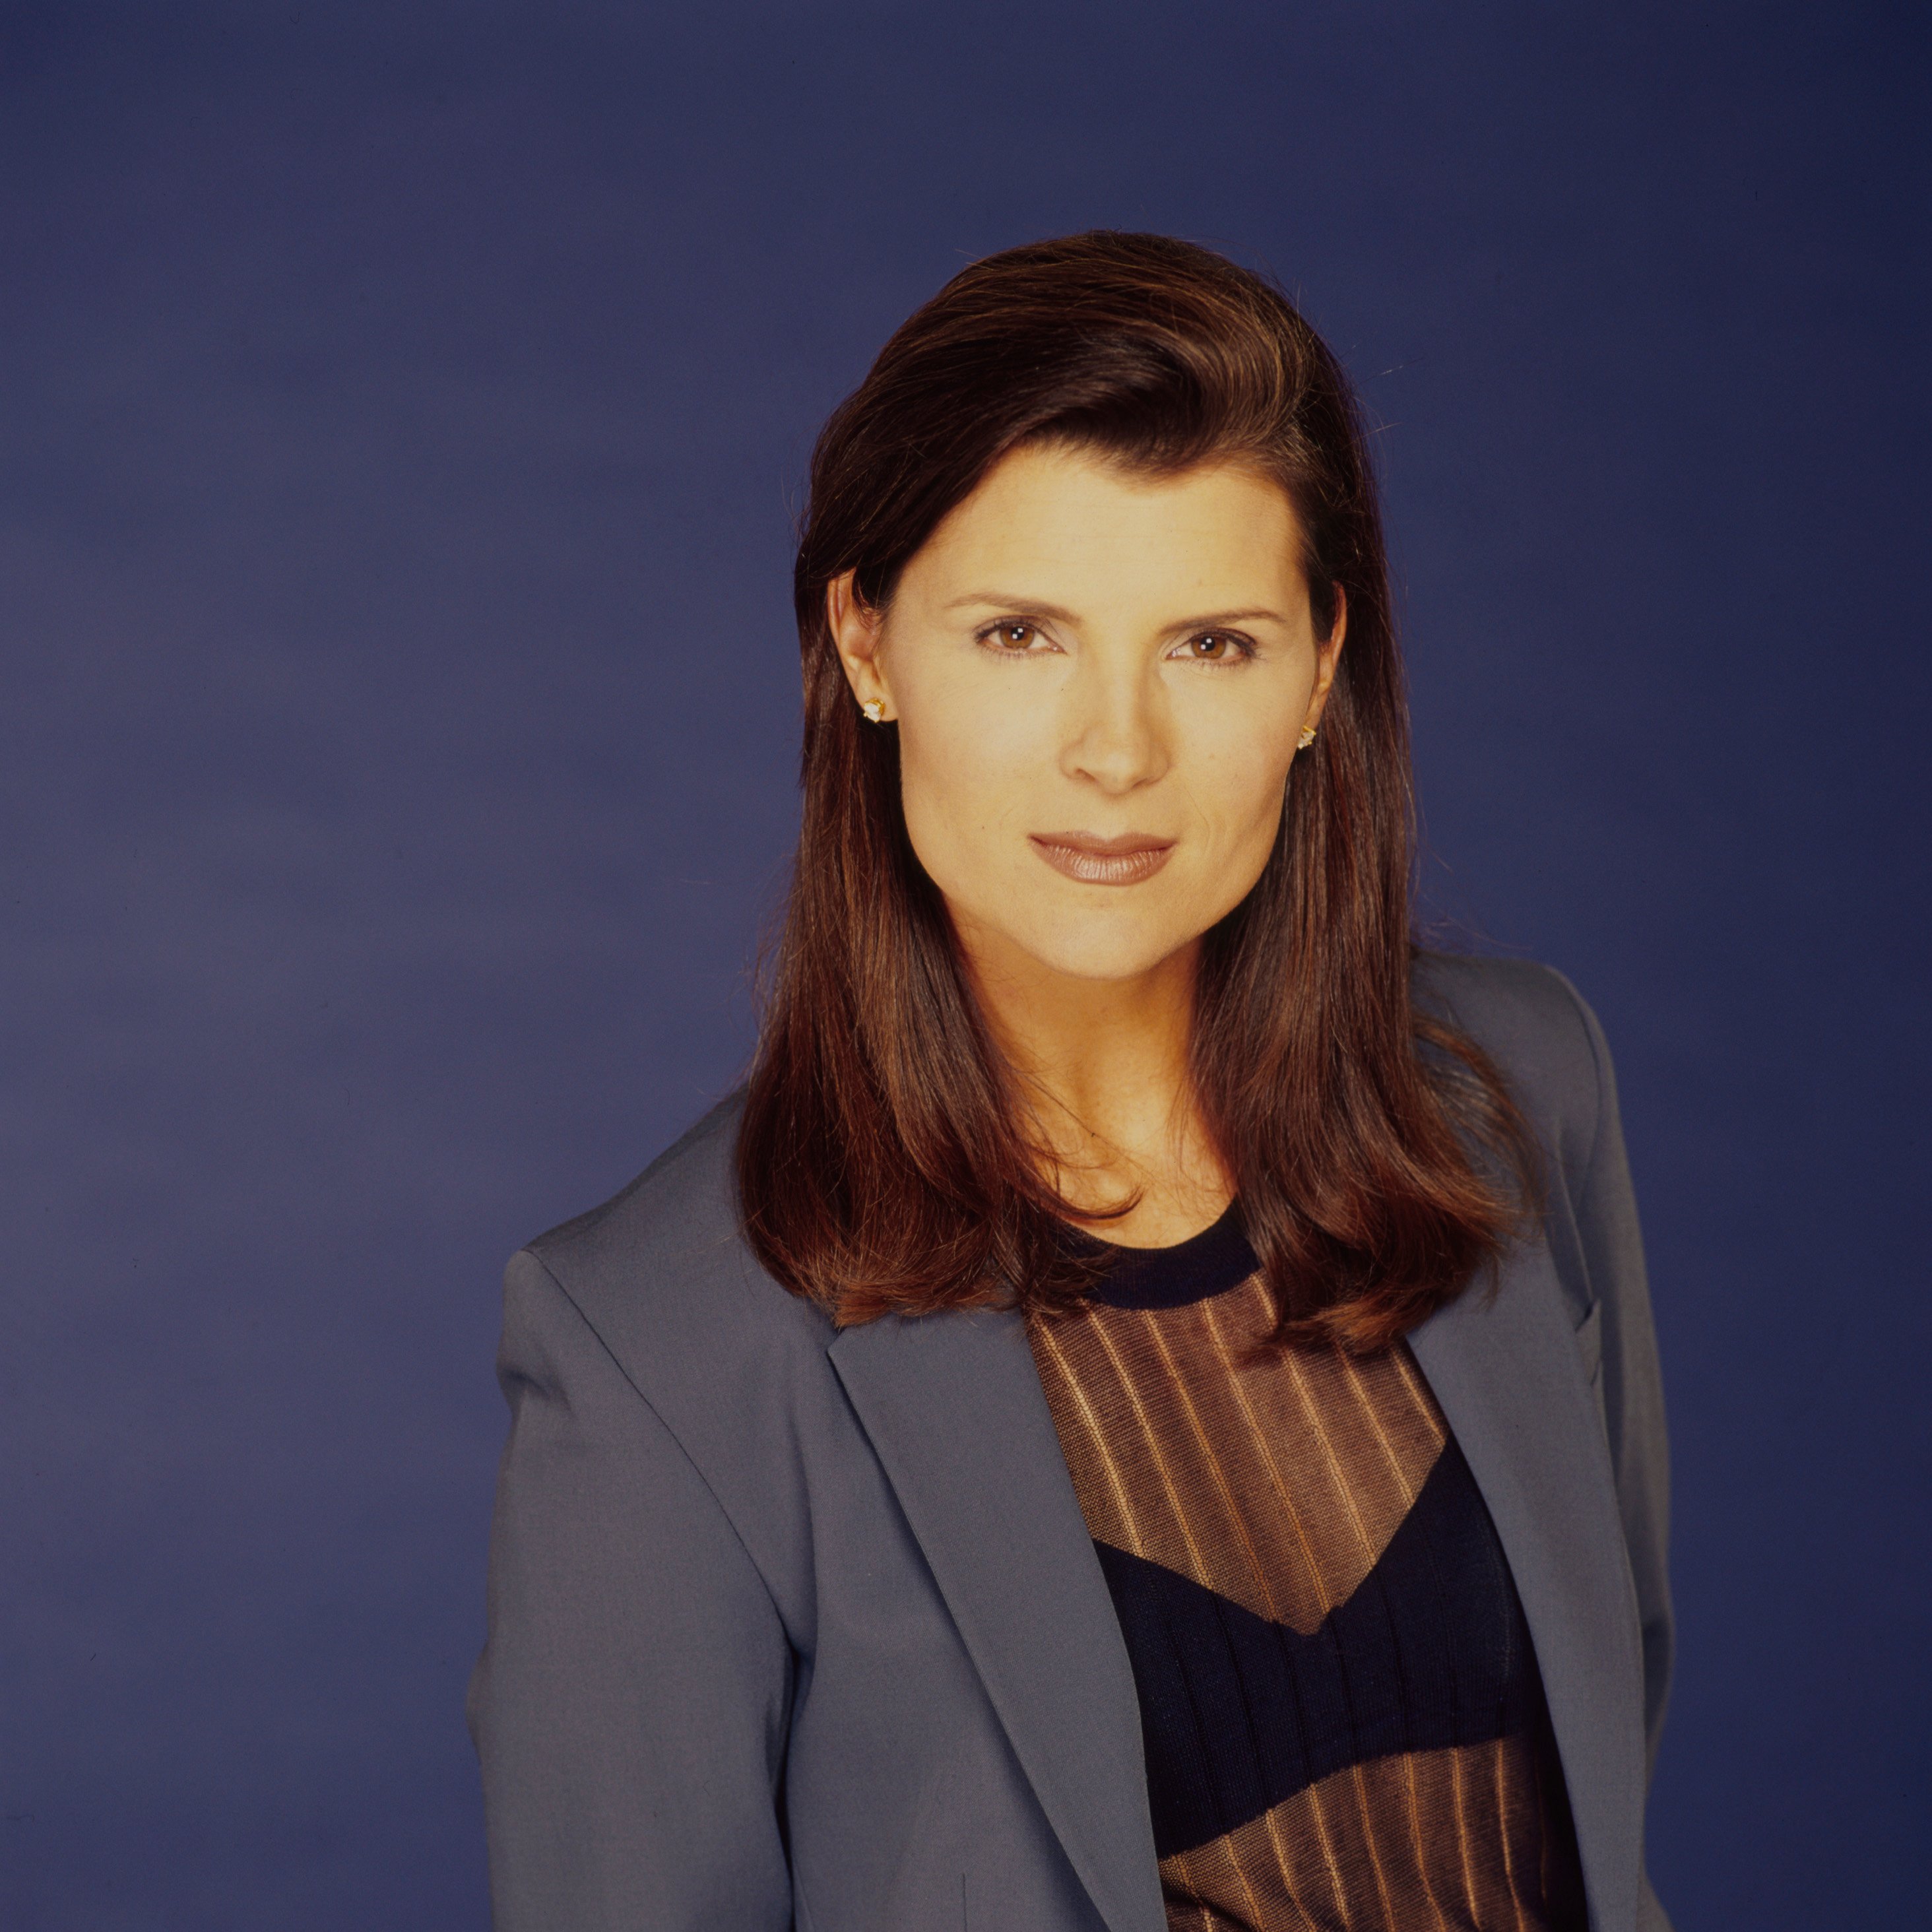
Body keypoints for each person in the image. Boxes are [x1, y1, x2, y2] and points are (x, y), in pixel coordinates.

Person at [467, 232, 1673, 1932]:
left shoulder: (1519, 1088)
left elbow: (1606, 1799)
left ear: (1324, 669)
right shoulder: (658, 1343)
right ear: (869, 647)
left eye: (1213, 644)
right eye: (1022, 632)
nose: (1118, 751)